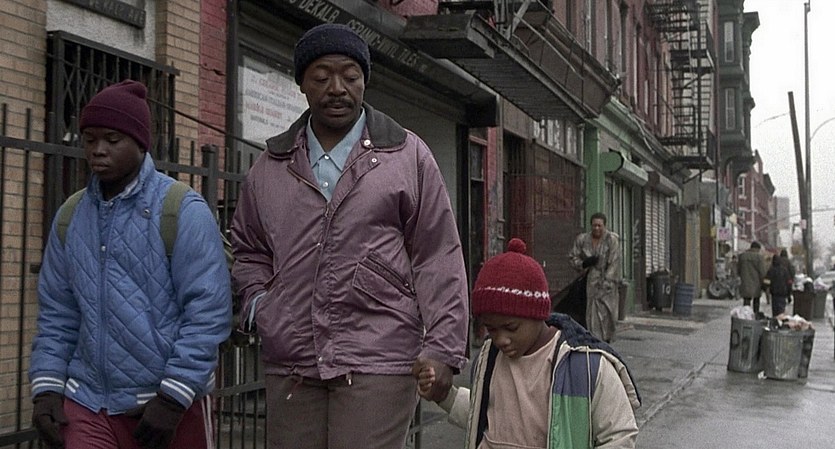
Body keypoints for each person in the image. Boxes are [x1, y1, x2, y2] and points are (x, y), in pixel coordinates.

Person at [230, 23, 469, 449]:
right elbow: (250, 250)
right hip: (293, 361)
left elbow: (437, 255)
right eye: (322, 77)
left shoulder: (407, 156)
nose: (337, 88)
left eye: (350, 76)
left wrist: (444, 347)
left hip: (379, 358)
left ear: (365, 81)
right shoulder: (269, 167)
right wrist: (260, 306)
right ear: (302, 83)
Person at [29, 80, 232, 449]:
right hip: (87, 401)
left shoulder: (182, 210)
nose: (98, 150)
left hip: (166, 404)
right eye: (90, 139)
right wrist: (46, 387)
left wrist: (173, 397)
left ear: (141, 144)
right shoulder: (71, 215)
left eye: (112, 139)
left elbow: (207, 312)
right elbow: (58, 312)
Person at [415, 238, 640, 449]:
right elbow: (485, 416)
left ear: (538, 314)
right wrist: (444, 396)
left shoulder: (585, 365)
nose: (500, 339)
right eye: (491, 329)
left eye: (511, 327)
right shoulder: (489, 357)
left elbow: (619, 435)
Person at [569, 212, 622, 342]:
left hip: (607, 285)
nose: (597, 228)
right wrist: (583, 264)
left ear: (604, 226)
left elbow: (614, 262)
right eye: (594, 225)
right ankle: (593, 338)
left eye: (599, 225)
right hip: (589, 282)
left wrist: (607, 281)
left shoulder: (611, 240)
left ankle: (606, 339)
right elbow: (572, 257)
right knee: (590, 313)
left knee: (607, 314)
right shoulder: (582, 240)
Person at [738, 241, 767, 315]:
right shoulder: (759, 257)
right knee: (756, 300)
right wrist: (764, 281)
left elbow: (738, 269)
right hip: (756, 283)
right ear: (757, 248)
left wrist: (741, 276)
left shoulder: (742, 256)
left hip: (745, 281)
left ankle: (746, 315)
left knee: (746, 300)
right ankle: (755, 314)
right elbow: (762, 271)